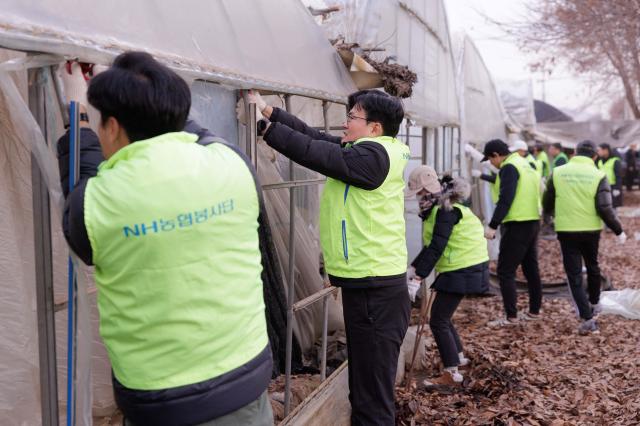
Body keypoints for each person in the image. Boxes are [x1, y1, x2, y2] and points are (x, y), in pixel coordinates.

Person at [57, 53, 272, 426]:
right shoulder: (234, 166)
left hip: (163, 406)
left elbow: (84, 190)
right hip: (247, 386)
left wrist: (76, 114)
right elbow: (194, 134)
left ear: (111, 127)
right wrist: (146, 96)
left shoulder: (97, 203)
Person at [248, 89, 410, 425]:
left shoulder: (372, 159)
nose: (345, 122)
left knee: (372, 392)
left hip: (374, 288)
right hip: (370, 284)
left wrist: (266, 130)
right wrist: (272, 113)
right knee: (365, 383)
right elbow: (316, 139)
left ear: (375, 128)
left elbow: (316, 153)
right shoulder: (373, 151)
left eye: (352, 117)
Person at [406, 168, 489, 387]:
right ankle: (459, 358)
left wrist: (417, 278)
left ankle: (451, 373)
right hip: (469, 265)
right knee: (444, 316)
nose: (417, 199)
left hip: (462, 268)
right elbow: (433, 244)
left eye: (418, 194)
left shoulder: (444, 211)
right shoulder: (447, 205)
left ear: (425, 192)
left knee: (438, 320)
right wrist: (415, 268)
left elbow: (437, 245)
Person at [543, 140, 626, 335]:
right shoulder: (598, 175)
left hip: (566, 230)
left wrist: (548, 217)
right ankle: (595, 302)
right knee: (593, 265)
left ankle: (587, 317)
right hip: (591, 230)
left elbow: (547, 200)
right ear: (594, 156)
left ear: (575, 153)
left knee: (574, 275)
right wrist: (618, 230)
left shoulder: (558, 172)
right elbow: (605, 207)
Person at [481, 140, 543, 326]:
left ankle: (511, 317)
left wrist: (493, 225)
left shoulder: (509, 167)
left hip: (516, 223)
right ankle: (534, 311)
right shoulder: (525, 163)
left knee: (505, 270)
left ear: (496, 155)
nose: (491, 164)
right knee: (531, 268)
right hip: (532, 220)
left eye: (490, 160)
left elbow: (506, 198)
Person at [597, 143, 623, 208]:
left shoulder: (615, 161)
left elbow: (618, 176)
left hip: (612, 187)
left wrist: (617, 188)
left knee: (613, 207)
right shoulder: (600, 161)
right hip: (602, 186)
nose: (598, 152)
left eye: (599, 150)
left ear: (605, 150)